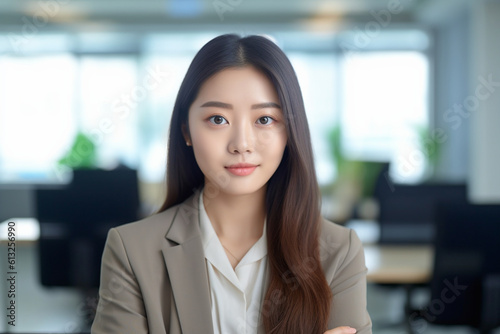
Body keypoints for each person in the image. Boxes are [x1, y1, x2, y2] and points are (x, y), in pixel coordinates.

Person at [91, 33, 372, 334]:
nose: (241, 144)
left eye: (264, 120)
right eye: (217, 119)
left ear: (290, 132)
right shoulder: (132, 251)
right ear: (186, 131)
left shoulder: (338, 251)